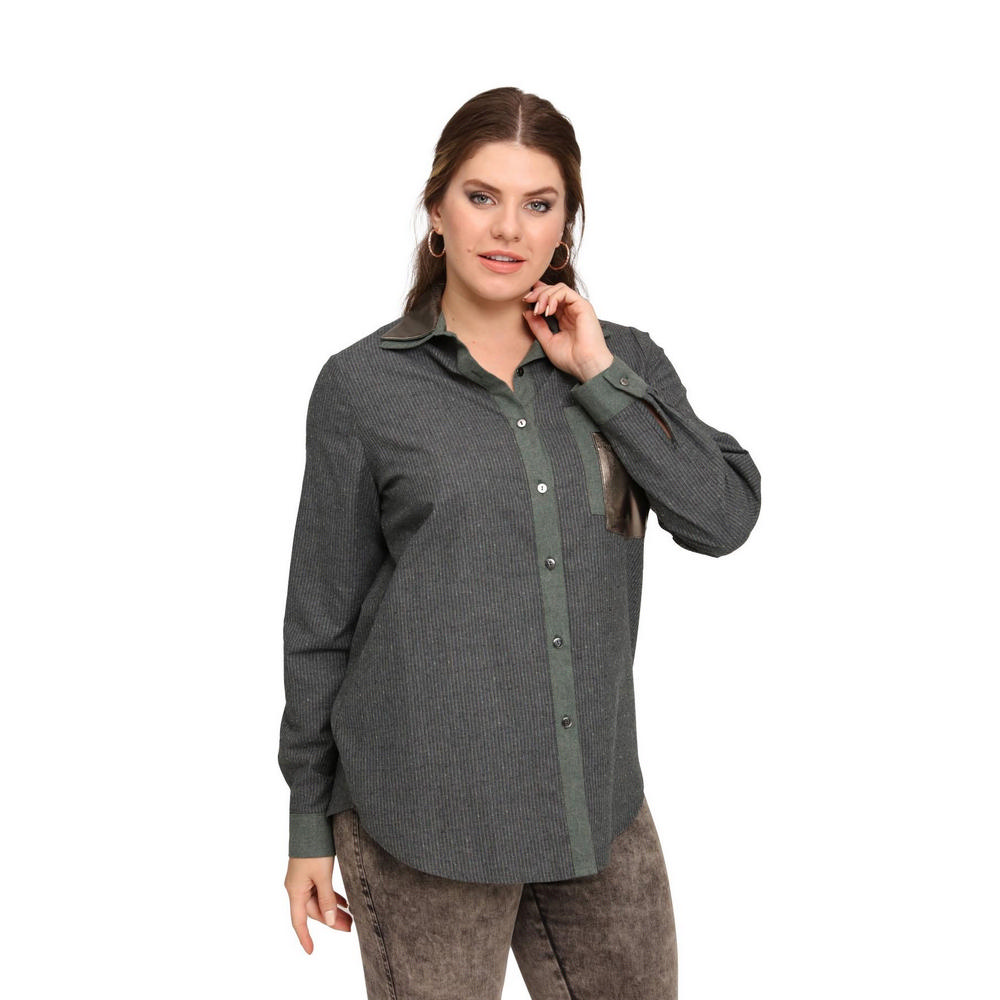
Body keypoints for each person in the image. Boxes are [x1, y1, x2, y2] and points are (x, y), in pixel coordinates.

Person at [278, 86, 762, 999]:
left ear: (566, 224)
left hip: (594, 803)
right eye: (481, 196)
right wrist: (308, 820)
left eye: (539, 203)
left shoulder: (625, 359)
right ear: (436, 211)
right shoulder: (362, 388)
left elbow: (723, 518)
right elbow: (320, 620)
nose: (507, 228)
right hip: (424, 815)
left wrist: (600, 377)